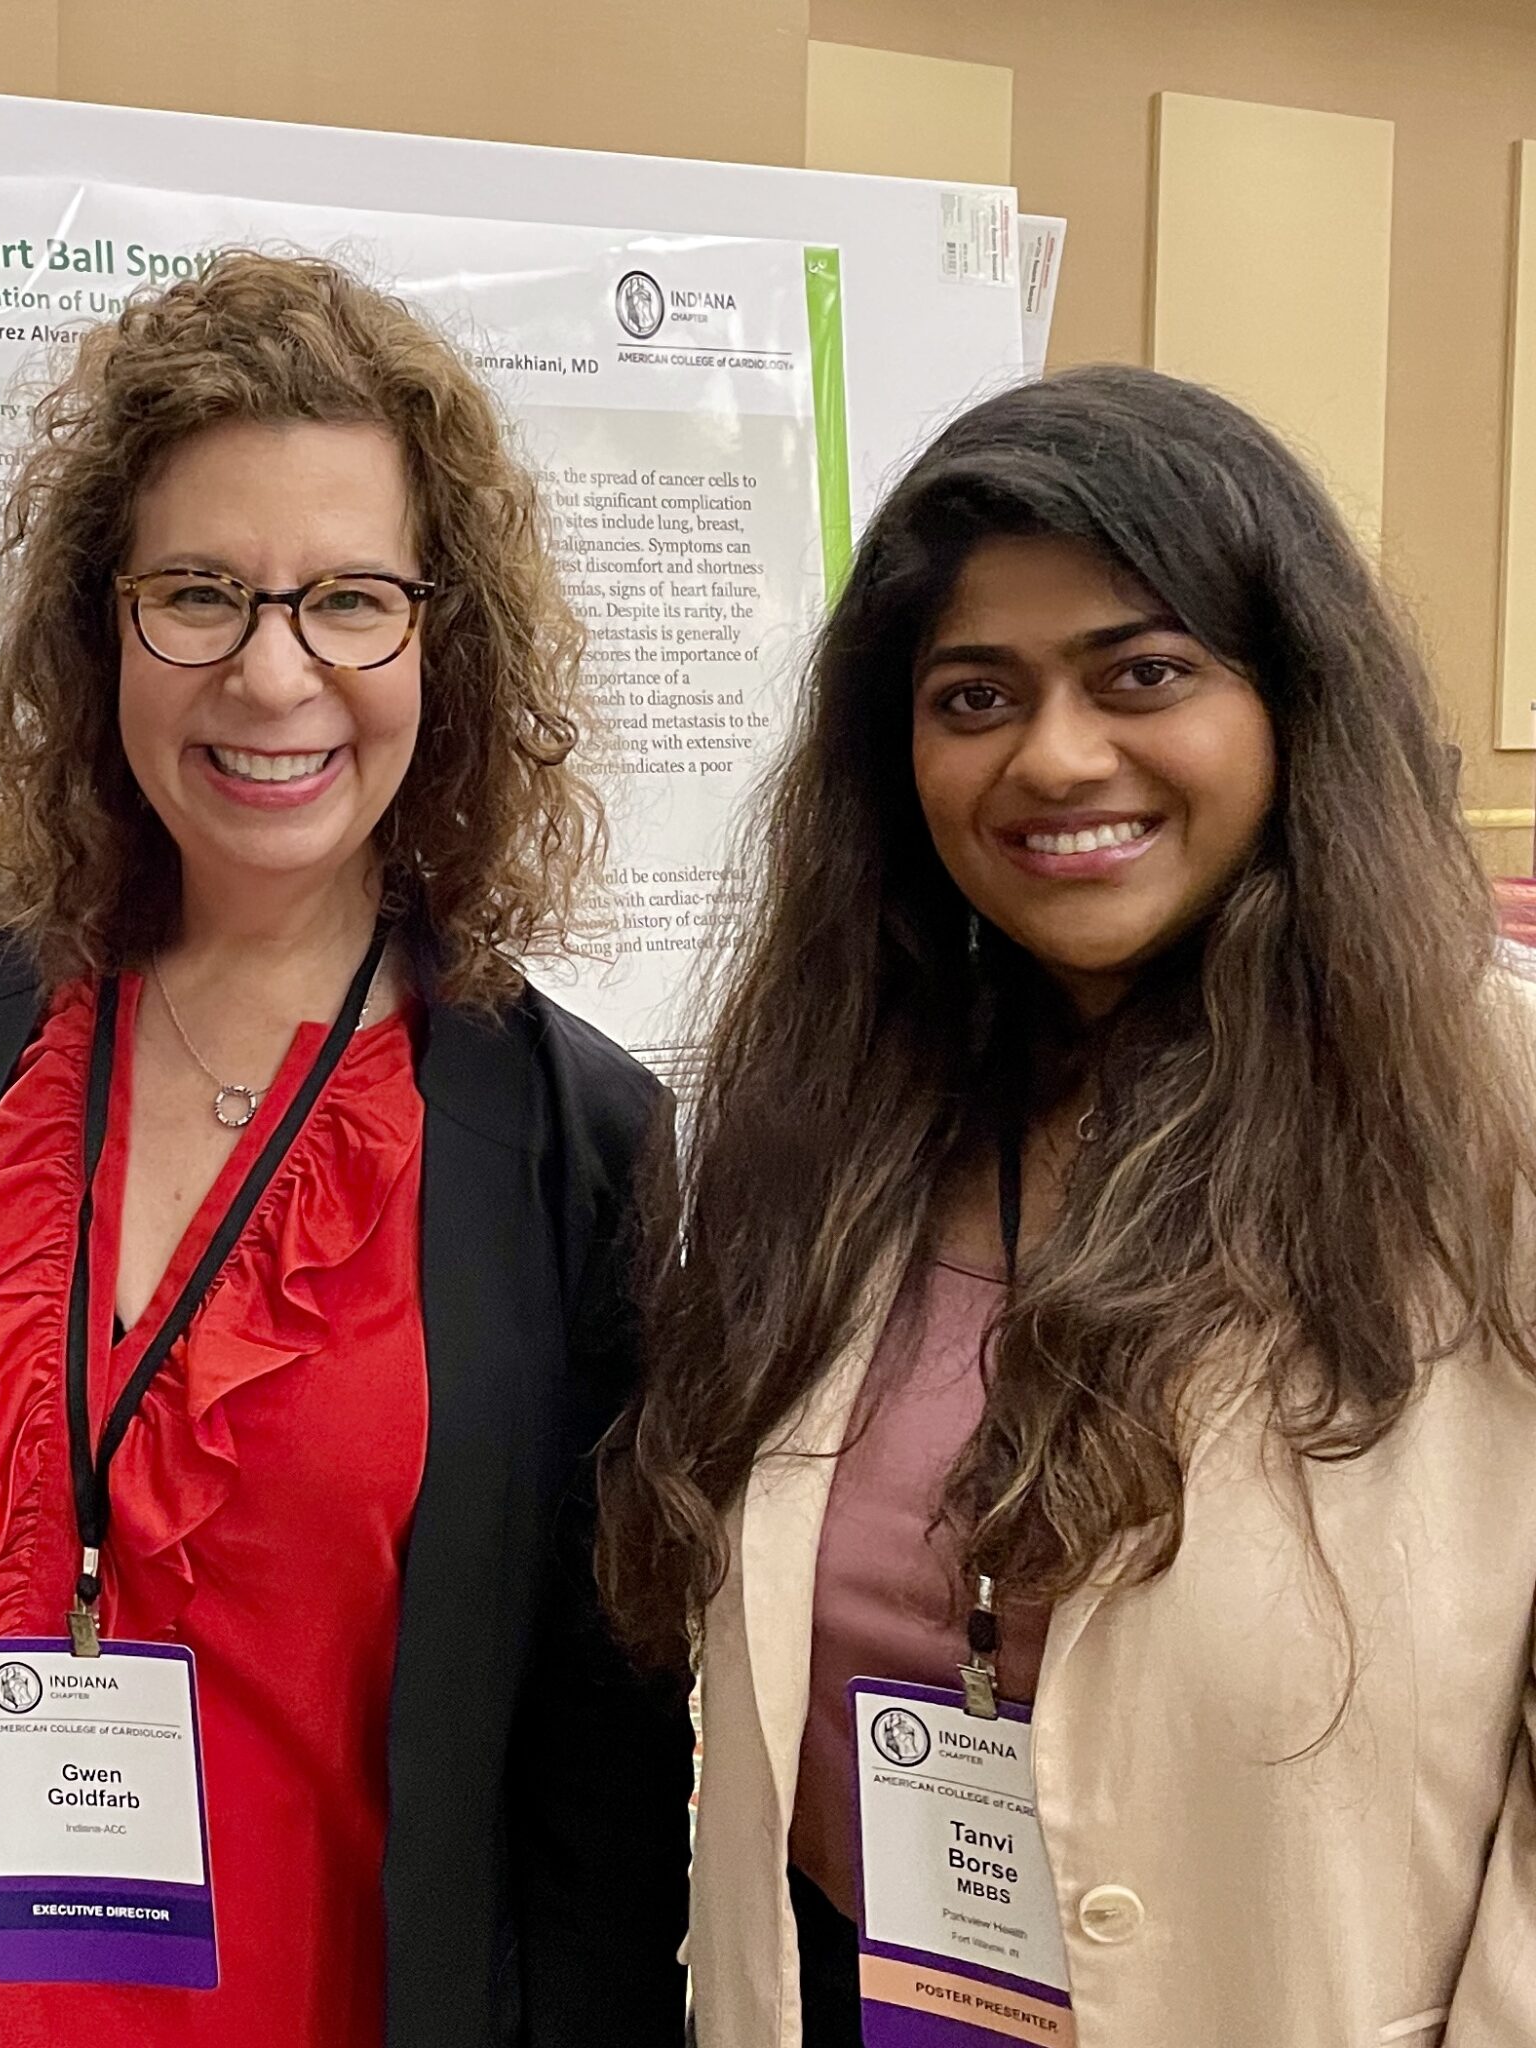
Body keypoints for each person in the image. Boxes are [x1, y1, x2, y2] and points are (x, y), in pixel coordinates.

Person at [598, 365, 1536, 2044]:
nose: (1057, 755)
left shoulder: (1495, 1108)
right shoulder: (834, 1117)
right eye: (975, 697)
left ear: (1290, 699)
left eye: (1143, 673)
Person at [0, 251, 692, 2048]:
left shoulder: (574, 1148)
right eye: (200, 594)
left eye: (350, 601)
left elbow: (594, 1808)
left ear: (444, 645)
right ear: (104, 627)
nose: (272, 671)